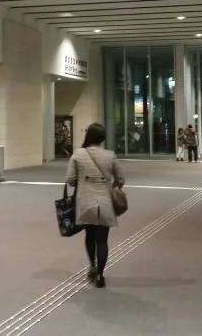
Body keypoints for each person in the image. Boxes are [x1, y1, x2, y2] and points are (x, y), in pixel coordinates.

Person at [66, 123, 125, 289]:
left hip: (85, 201)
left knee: (89, 237)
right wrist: (111, 186)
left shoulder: (78, 154)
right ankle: (100, 274)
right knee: (102, 240)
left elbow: (70, 180)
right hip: (104, 201)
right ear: (102, 138)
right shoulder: (109, 155)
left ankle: (92, 267)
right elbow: (121, 178)